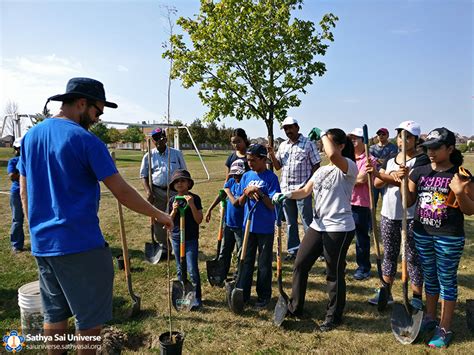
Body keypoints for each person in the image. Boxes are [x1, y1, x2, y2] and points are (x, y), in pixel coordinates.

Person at [18, 77, 173, 354]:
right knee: (88, 322)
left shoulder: (30, 137)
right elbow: (122, 192)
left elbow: (23, 192)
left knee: (54, 315)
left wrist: (35, 230)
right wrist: (159, 215)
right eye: (97, 111)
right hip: (80, 245)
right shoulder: (85, 140)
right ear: (81, 103)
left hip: (43, 245)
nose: (98, 119)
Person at [273, 128, 357, 332]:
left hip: (339, 227)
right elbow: (305, 191)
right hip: (318, 226)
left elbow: (332, 155)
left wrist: (323, 134)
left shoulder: (348, 168)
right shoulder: (321, 171)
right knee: (300, 264)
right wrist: (286, 194)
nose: (322, 144)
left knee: (333, 273)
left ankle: (334, 316)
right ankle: (295, 307)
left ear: (341, 145)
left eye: (327, 141)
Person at [407, 127, 469, 348]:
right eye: (427, 148)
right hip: (422, 233)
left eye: (436, 148)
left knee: (447, 280)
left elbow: (470, 210)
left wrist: (460, 192)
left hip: (448, 237)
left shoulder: (460, 175)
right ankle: (430, 318)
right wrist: (404, 182)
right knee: (430, 278)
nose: (430, 152)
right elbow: (407, 202)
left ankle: (444, 328)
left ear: (450, 148)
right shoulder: (419, 171)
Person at [366, 121, 428, 308]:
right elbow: (377, 183)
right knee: (390, 255)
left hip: (410, 216)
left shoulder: (421, 160)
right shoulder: (391, 159)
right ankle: (386, 292)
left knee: (412, 257)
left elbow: (409, 185)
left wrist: (385, 175)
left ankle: (416, 297)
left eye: (408, 136)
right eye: (400, 136)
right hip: (388, 214)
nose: (403, 140)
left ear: (416, 140)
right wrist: (381, 174)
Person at [267, 117, 321, 260]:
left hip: (303, 190)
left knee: (307, 221)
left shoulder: (308, 144)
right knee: (291, 223)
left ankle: (313, 250)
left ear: (297, 127)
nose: (288, 131)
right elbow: (278, 166)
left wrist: (310, 184)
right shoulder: (283, 146)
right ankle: (294, 250)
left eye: (290, 127)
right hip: (286, 190)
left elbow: (316, 165)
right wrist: (272, 154)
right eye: (285, 128)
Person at [238, 144, 280, 309]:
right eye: (248, 160)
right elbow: (240, 203)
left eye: (254, 160)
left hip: (265, 228)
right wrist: (246, 192)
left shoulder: (271, 178)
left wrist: (260, 193)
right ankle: (244, 294)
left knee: (263, 264)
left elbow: (271, 206)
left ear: (264, 159)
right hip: (248, 227)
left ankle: (263, 296)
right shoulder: (246, 176)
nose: (250, 163)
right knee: (246, 262)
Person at [140, 128, 186, 255]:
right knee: (158, 219)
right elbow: (144, 176)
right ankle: (165, 247)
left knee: (177, 218)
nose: (159, 141)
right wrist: (148, 192)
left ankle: (179, 244)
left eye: (162, 138)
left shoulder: (176, 154)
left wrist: (183, 191)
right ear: (153, 141)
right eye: (156, 139)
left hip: (175, 191)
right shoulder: (148, 156)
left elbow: (184, 172)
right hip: (157, 192)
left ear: (166, 139)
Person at [168, 169, 203, 309]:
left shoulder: (195, 198)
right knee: (179, 268)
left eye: (183, 181)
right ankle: (183, 296)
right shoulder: (172, 200)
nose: (180, 184)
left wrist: (192, 205)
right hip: (176, 238)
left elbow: (199, 219)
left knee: (192, 269)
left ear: (189, 183)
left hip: (190, 239)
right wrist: (174, 210)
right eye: (176, 182)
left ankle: (196, 298)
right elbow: (169, 221)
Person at [205, 160, 246, 279]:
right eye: (234, 174)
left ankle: (239, 275)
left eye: (238, 174)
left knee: (240, 253)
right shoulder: (231, 181)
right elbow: (221, 195)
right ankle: (221, 273)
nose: (236, 177)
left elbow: (236, 203)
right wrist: (210, 209)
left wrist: (228, 191)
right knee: (224, 250)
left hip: (241, 226)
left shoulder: (245, 184)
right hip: (228, 223)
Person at [349, 128, 377, 280]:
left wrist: (347, 180)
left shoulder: (369, 160)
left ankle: (364, 267)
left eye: (355, 138)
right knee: (343, 236)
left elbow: (361, 179)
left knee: (361, 238)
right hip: (346, 202)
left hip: (360, 203)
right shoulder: (348, 158)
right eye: (351, 138)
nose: (352, 141)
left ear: (363, 141)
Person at [369, 127, 398, 208]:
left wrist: (376, 160)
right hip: (373, 177)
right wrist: (383, 160)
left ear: (387, 135)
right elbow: (370, 160)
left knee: (386, 200)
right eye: (379, 134)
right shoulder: (372, 148)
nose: (381, 136)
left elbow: (391, 161)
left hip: (385, 177)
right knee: (372, 202)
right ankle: (372, 220)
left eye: (383, 134)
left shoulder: (393, 148)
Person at [8, 138, 25, 253]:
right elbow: (12, 176)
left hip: (31, 192)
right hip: (17, 193)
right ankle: (16, 244)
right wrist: (23, 171)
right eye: (18, 148)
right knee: (17, 219)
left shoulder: (31, 159)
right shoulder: (13, 161)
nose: (20, 150)